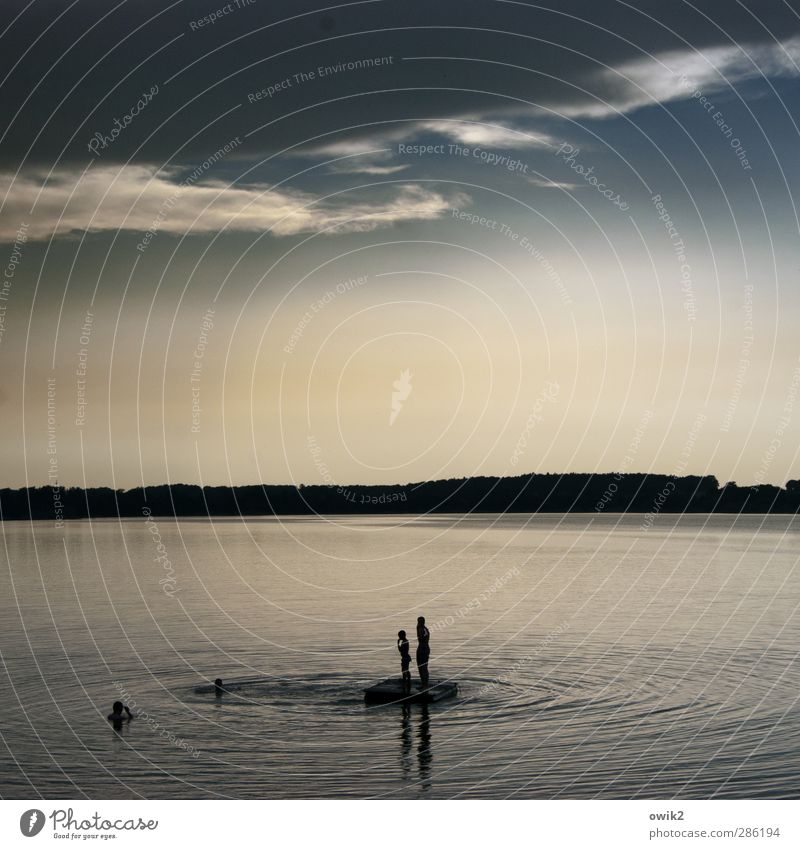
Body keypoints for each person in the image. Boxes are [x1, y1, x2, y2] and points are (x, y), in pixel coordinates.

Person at [416, 616, 431, 687]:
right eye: (418, 622)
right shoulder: (421, 629)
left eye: (420, 622)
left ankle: (425, 684)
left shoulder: (423, 630)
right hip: (421, 648)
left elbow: (422, 639)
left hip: (423, 648)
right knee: (420, 667)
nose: (418, 623)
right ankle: (423, 683)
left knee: (423, 667)